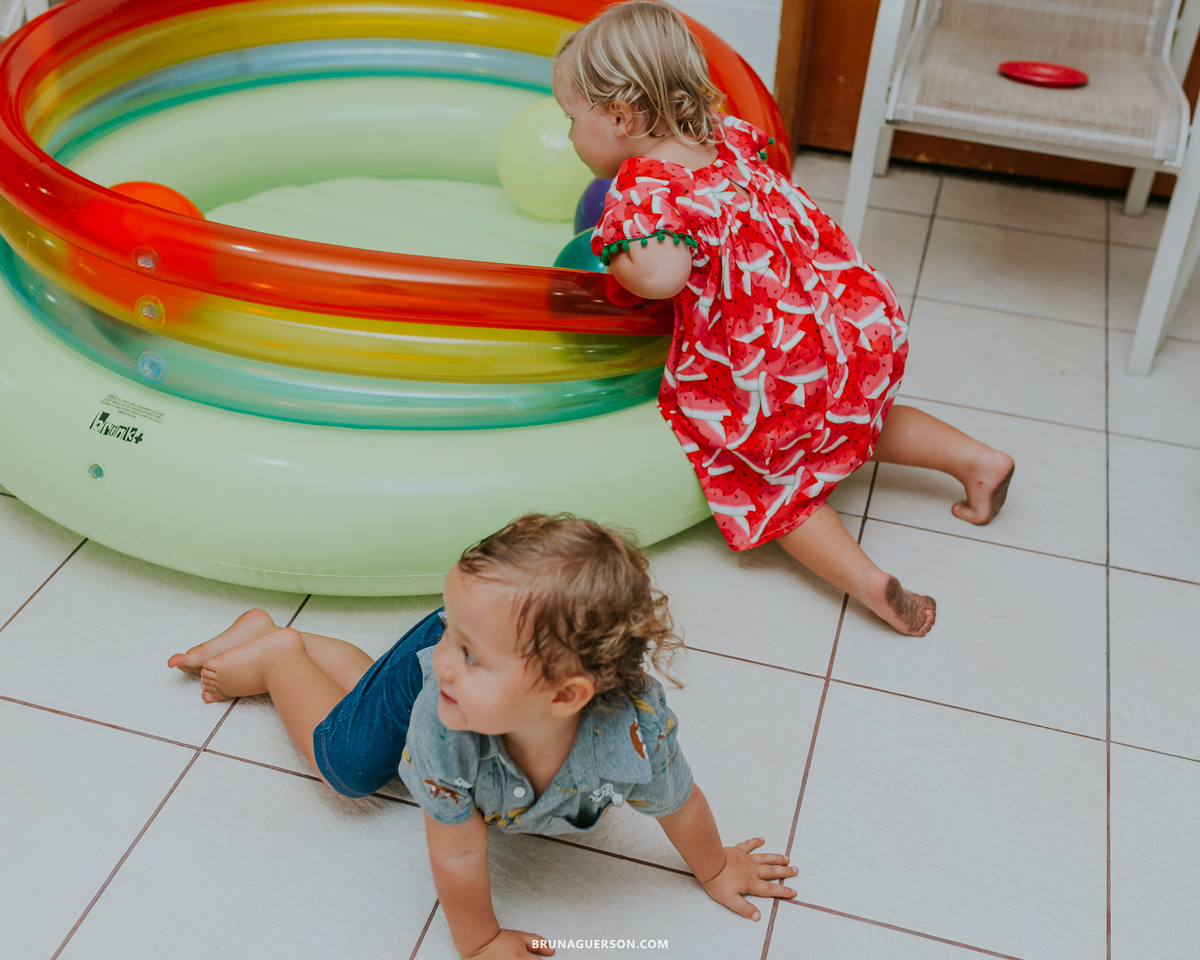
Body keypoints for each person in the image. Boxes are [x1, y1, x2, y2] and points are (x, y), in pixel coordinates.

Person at [555, 1, 1015, 637]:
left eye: (570, 118)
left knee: (771, 482)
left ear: (621, 117)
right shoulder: (724, 136)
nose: (567, 135)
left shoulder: (646, 190)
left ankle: (868, 582)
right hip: (846, 322)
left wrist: (618, 258)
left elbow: (662, 277)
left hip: (773, 362)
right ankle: (977, 460)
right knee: (858, 419)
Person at [168, 514, 797, 959]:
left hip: (489, 650)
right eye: (451, 638)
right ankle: (279, 654)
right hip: (477, 659)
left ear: (564, 697)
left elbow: (679, 801)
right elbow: (459, 852)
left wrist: (715, 869)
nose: (442, 661)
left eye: (465, 654)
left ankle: (300, 645)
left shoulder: (633, 734)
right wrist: (481, 942)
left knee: (394, 709)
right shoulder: (446, 718)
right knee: (353, 763)